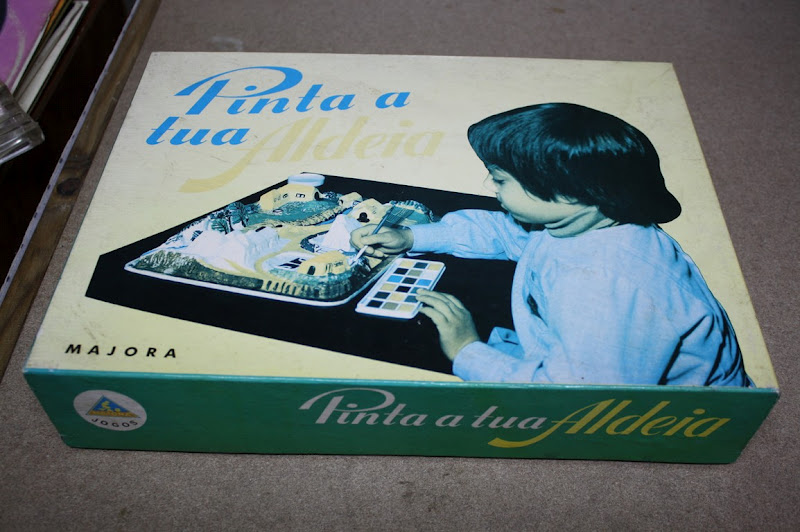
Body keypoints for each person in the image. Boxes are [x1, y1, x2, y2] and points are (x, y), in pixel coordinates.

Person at [350, 103, 751, 386]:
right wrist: (413, 237)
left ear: (570, 193)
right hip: (574, 358)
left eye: (500, 179)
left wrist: (467, 350)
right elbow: (505, 233)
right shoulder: (587, 218)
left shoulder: (602, 286)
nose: (491, 186)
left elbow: (581, 400)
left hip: (675, 419)